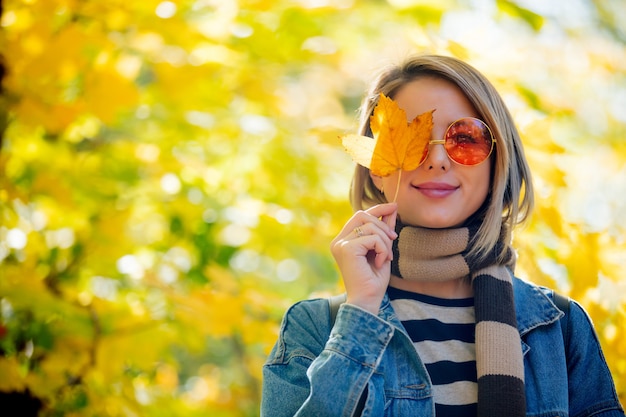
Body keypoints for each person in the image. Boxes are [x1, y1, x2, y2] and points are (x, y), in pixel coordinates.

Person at [261, 54, 625, 417]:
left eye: (466, 138)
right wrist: (359, 317)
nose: (436, 161)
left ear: (498, 162)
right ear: (376, 168)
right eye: (411, 142)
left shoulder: (559, 328)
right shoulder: (315, 328)